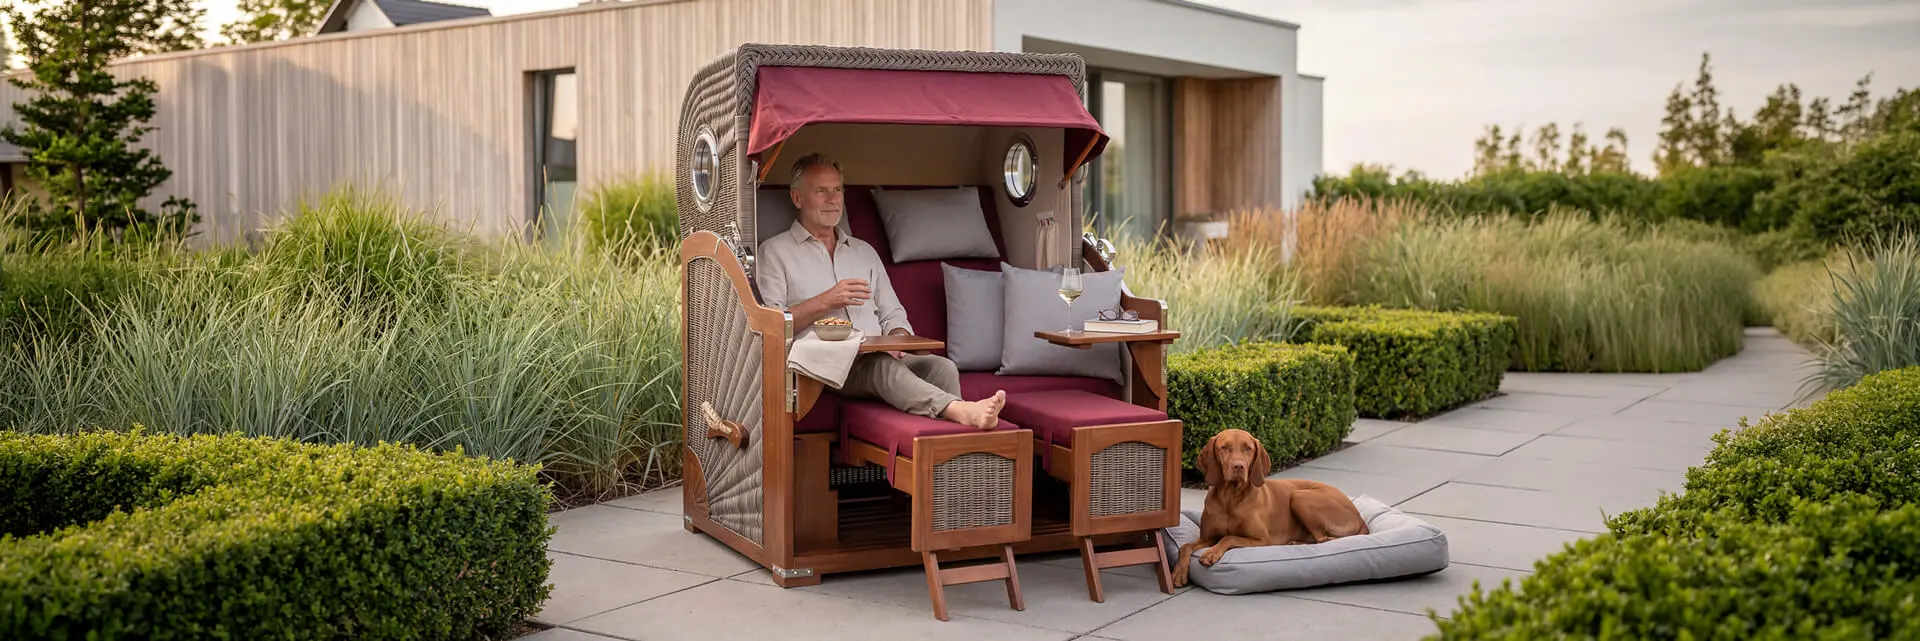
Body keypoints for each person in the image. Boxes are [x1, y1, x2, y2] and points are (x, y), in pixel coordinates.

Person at [754, 153, 1006, 430]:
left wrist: (897, 339)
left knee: (942, 367)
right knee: (879, 367)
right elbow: (772, 327)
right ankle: (959, 410)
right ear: (797, 198)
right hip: (823, 366)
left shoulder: (864, 252)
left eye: (837, 190)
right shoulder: (774, 252)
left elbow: (892, 314)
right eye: (821, 191)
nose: (833, 199)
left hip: (878, 355)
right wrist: (826, 301)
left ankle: (949, 444)